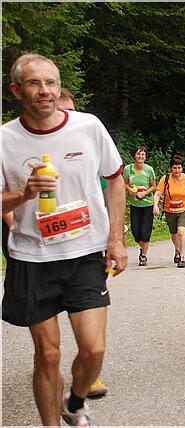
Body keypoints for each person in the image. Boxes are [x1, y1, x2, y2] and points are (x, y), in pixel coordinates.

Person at [1, 53, 127, 426]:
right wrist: (23, 194)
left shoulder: (88, 127)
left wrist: (116, 239)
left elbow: (115, 178)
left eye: (51, 83)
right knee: (49, 354)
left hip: (85, 252)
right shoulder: (5, 140)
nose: (45, 91)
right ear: (16, 90)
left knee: (94, 349)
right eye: (34, 83)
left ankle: (74, 400)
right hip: (31, 258)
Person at [58, 87, 110, 399]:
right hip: (40, 250)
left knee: (91, 312)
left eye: (72, 112)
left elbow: (107, 189)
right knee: (47, 344)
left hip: (86, 244)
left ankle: (90, 374)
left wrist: (113, 235)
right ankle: (48, 362)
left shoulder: (88, 145)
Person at [153, 154, 185, 268]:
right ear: (171, 168)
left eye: (179, 168)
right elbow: (157, 193)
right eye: (175, 168)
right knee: (174, 234)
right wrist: (155, 206)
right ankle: (177, 249)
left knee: (181, 231)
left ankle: (182, 256)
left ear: (182, 168)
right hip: (170, 210)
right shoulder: (165, 179)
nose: (177, 170)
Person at [123, 145, 156, 266]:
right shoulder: (128, 169)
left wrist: (144, 193)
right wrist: (130, 190)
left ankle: (143, 255)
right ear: (134, 155)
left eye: (143, 154)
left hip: (147, 204)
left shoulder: (149, 170)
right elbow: (124, 183)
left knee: (145, 232)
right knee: (136, 232)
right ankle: (142, 247)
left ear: (145, 157)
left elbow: (154, 186)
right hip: (134, 204)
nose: (140, 156)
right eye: (138, 153)